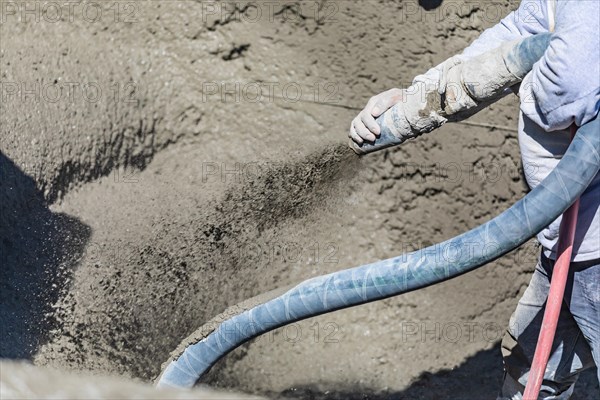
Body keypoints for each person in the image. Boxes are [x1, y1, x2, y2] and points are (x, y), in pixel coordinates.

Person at [349, 1, 599, 398]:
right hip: (570, 246)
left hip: (593, 254)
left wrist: (522, 71)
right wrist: (410, 100)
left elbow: (565, 94)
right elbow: (512, 37)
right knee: (532, 364)